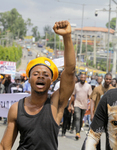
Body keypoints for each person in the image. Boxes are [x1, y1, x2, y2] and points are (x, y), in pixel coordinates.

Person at [0, 20, 75, 150]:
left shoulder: (56, 103)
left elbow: (70, 71)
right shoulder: (16, 109)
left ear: (52, 81)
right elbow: (4, 146)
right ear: (28, 79)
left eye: (46, 75)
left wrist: (67, 37)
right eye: (36, 74)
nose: (41, 76)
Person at [68, 73, 92, 140]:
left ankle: (78, 131)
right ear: (80, 78)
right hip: (77, 104)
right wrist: (70, 105)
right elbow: (72, 96)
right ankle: (77, 133)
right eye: (81, 78)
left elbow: (90, 97)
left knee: (81, 119)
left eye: (84, 78)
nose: (83, 79)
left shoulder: (88, 86)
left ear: (86, 78)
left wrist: (89, 106)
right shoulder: (76, 86)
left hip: (84, 105)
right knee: (77, 117)